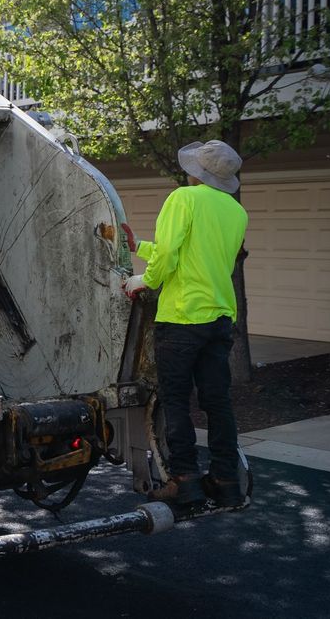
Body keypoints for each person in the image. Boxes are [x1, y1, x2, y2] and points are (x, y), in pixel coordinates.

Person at [124, 140, 248, 509]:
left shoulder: (184, 198)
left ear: (199, 171)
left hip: (181, 318)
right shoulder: (236, 211)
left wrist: (143, 279)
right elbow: (198, 255)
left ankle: (185, 482)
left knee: (176, 401)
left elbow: (170, 253)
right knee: (217, 401)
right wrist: (140, 246)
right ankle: (226, 481)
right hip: (220, 316)